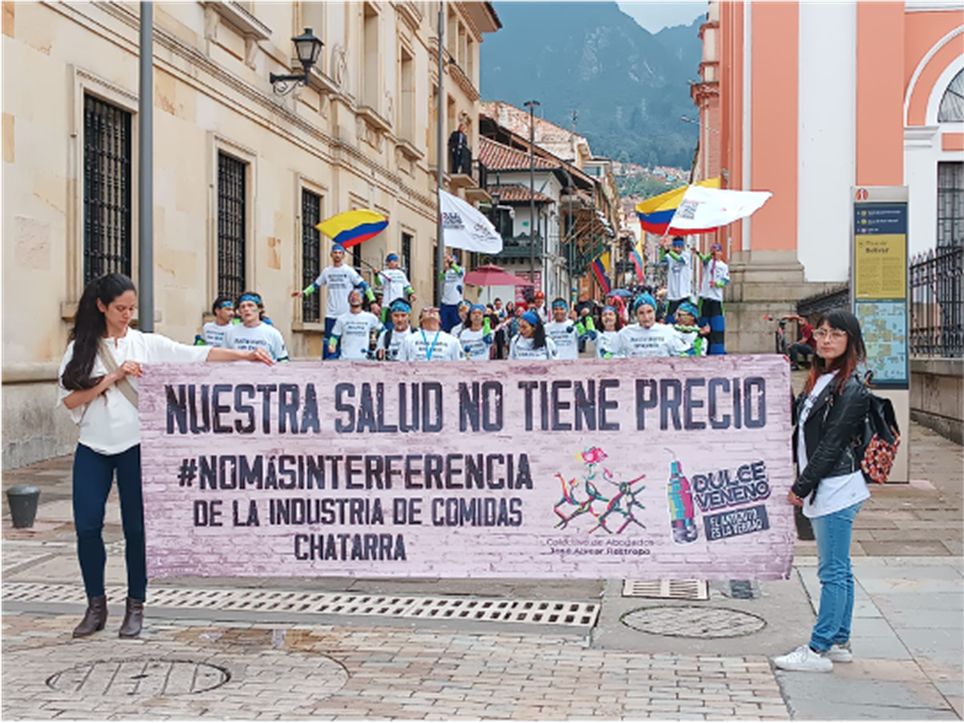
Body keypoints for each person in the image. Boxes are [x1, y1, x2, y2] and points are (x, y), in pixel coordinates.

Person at [58, 273, 274, 640]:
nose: (127, 315)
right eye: (120, 309)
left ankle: (135, 607)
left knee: (137, 529)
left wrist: (245, 356)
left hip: (136, 446)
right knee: (87, 526)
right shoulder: (81, 347)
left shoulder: (145, 343)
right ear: (101, 307)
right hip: (93, 447)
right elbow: (69, 399)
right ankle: (95, 606)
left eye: (131, 308)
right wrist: (112, 376)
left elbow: (196, 354)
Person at [775, 310, 872, 673]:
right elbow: (800, 424)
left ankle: (818, 649)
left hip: (836, 488)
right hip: (829, 486)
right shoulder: (822, 378)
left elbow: (831, 445)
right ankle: (840, 641)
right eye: (822, 332)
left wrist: (801, 486)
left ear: (851, 340)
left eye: (836, 334)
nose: (827, 339)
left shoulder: (852, 387)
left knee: (831, 571)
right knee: (841, 570)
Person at [291, 244, 374, 359]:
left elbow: (364, 285)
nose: (337, 255)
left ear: (343, 255)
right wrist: (304, 293)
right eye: (335, 253)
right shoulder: (327, 272)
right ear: (331, 255)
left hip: (346, 313)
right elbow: (316, 284)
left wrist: (372, 301)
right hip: (331, 314)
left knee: (346, 343)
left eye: (340, 253)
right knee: (330, 343)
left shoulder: (349, 271)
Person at [224, 292, 290, 362]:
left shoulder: (272, 333)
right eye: (243, 306)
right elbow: (223, 357)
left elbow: (283, 359)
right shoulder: (230, 332)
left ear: (259, 309)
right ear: (239, 311)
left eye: (250, 305)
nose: (246, 309)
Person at [616, 293, 687, 358]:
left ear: (654, 311)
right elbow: (611, 353)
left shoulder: (669, 332)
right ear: (636, 315)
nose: (646, 317)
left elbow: (683, 355)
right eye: (641, 313)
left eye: (649, 312)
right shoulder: (625, 333)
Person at [328, 289, 383, 360]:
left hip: (363, 360)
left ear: (362, 300)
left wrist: (381, 346)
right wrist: (332, 345)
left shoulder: (370, 317)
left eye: (357, 296)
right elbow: (334, 336)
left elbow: (383, 331)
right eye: (352, 296)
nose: (355, 298)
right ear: (348, 300)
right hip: (345, 359)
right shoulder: (341, 319)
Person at [397, 307, 465, 362]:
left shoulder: (453, 341)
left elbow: (460, 364)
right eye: (426, 310)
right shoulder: (408, 339)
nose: (432, 311)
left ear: (440, 321)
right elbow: (400, 363)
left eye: (435, 311)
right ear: (421, 320)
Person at [698, 243, 730, 354]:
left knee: (717, 327)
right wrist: (706, 254)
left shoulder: (724, 266)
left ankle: (717, 351)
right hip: (705, 298)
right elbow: (704, 259)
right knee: (704, 326)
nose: (716, 253)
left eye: (718, 251)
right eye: (714, 251)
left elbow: (726, 281)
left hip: (716, 299)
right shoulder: (708, 263)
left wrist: (717, 283)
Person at [373, 253, 415, 325]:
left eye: (396, 261)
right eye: (393, 261)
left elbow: (407, 285)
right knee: (385, 322)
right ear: (388, 262)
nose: (395, 263)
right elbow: (378, 283)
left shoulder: (401, 273)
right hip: (387, 304)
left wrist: (411, 293)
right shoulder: (384, 273)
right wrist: (376, 275)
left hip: (399, 303)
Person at [660, 237, 694, 322]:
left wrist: (667, 250)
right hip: (672, 295)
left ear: (682, 247)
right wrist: (662, 248)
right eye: (674, 246)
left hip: (684, 294)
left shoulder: (686, 256)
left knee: (685, 319)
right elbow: (662, 259)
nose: (676, 249)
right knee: (669, 319)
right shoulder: (669, 256)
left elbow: (679, 259)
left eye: (679, 247)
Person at [439, 253, 466, 332]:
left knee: (456, 325)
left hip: (456, 302)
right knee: (444, 325)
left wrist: (451, 263)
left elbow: (460, 273)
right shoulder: (446, 272)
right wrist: (445, 269)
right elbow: (441, 278)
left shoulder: (461, 270)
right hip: (445, 302)